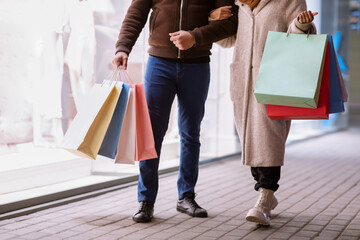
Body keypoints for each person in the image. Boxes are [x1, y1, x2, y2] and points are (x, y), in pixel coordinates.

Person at [112, 0, 238, 223]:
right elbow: (136, 13)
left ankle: (186, 196)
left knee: (190, 133)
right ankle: (146, 200)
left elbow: (231, 23)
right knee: (152, 134)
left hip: (197, 65)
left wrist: (195, 36)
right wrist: (123, 47)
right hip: (159, 64)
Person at [210, 0, 317, 226]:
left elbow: (301, 38)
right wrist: (214, 20)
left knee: (269, 139)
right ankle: (265, 191)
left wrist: (301, 25)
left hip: (275, 79)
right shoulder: (240, 5)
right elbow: (229, 40)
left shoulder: (289, 1)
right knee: (251, 140)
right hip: (243, 82)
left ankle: (265, 196)